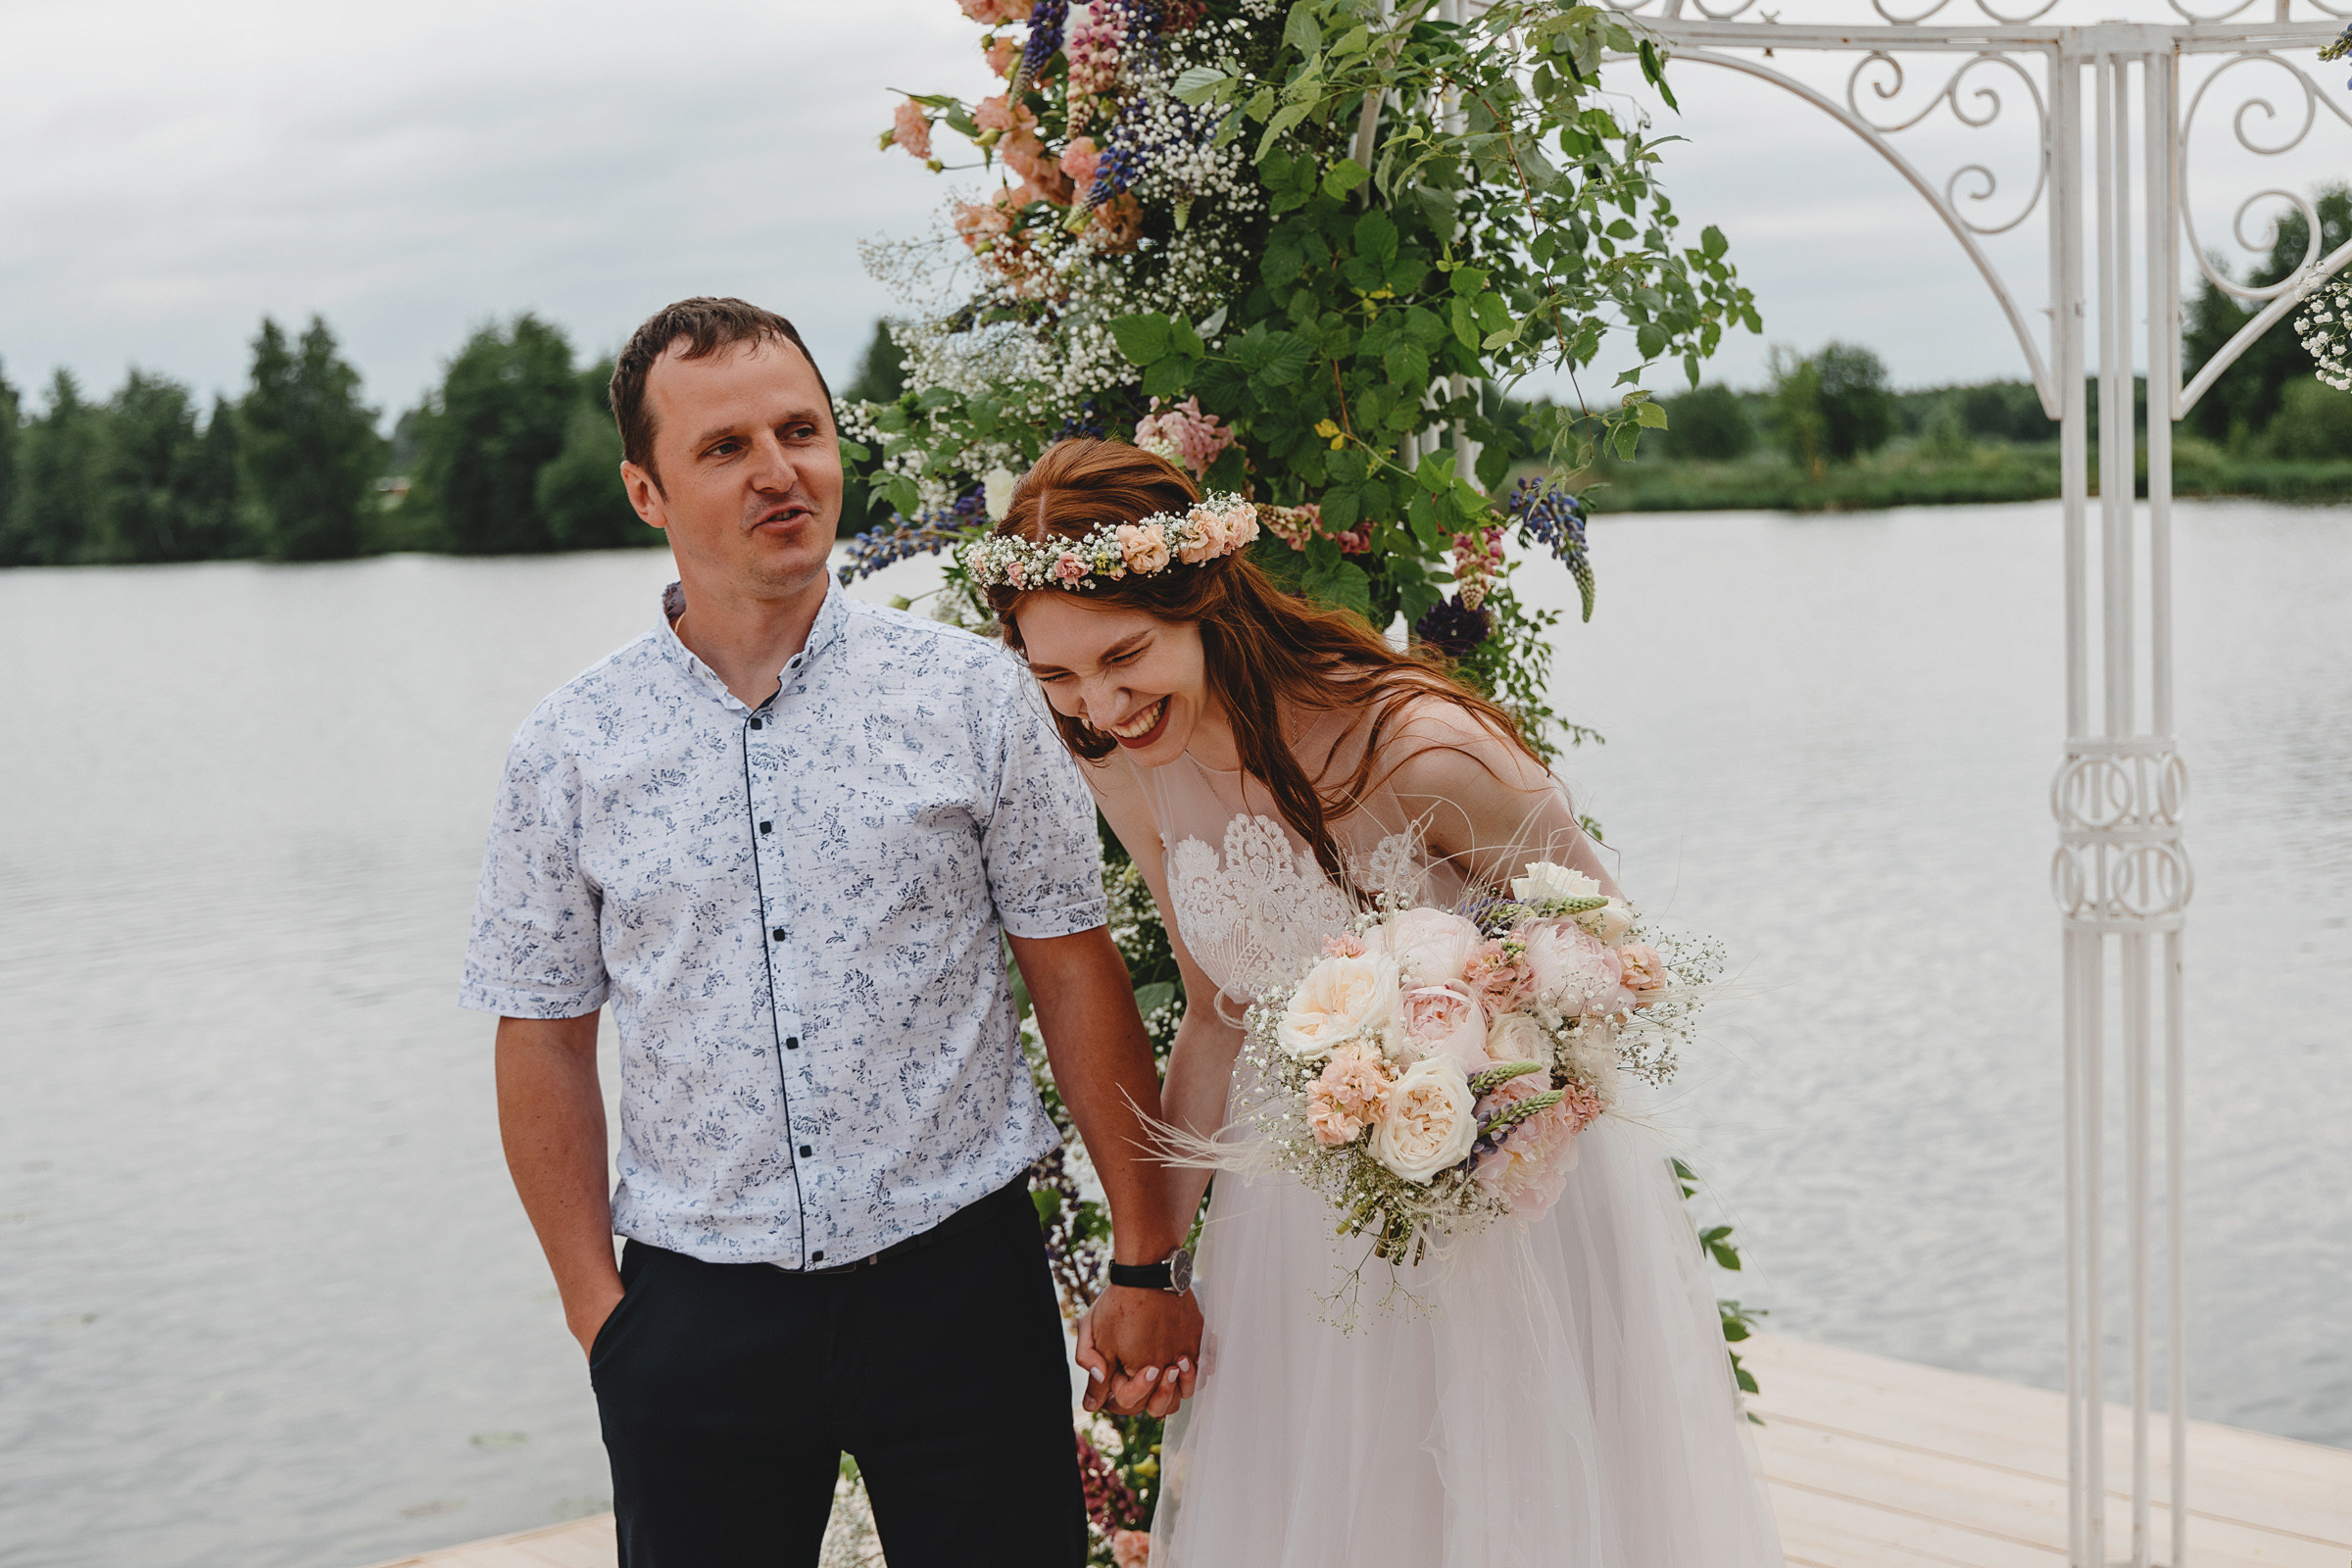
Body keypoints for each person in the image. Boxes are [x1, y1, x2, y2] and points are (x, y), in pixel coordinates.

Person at [460, 300, 1201, 1568]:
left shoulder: (975, 696)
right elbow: (541, 1038)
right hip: (694, 1317)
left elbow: (1074, 973)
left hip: (959, 1289)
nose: (779, 470)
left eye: (800, 430)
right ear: (645, 492)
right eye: (725, 447)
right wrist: (600, 1314)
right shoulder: (568, 751)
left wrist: (1145, 1259)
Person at [979, 438, 1788, 1567]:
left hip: (1496, 1211)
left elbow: (1613, 956)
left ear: (1204, 595)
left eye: (1125, 656)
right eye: (1058, 675)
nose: (1101, 705)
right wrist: (1149, 1264)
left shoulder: (1416, 747)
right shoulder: (1118, 753)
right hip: (1296, 1227)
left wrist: (1460, 1056)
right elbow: (1216, 1009)